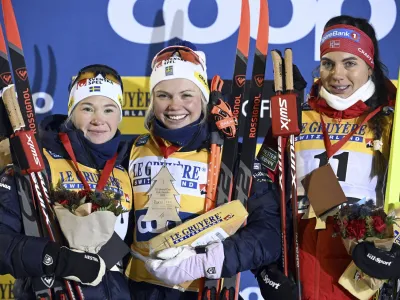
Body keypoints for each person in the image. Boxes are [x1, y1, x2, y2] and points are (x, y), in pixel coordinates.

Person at [123, 41, 282, 299]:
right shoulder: (132, 150)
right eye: (163, 95)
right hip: (139, 291)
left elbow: (270, 234)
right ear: (152, 100)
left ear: (203, 97)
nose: (175, 105)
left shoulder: (233, 157)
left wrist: (207, 260)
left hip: (204, 290)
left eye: (187, 94)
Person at [255, 15, 397, 300]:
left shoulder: (388, 122)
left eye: (350, 63)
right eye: (328, 63)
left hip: (360, 275)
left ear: (369, 67)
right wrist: (265, 263)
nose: (337, 74)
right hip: (301, 270)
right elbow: (262, 185)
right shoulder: (296, 115)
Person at [0, 64, 133, 299]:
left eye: (109, 109)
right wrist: (56, 259)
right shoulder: (38, 160)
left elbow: (128, 248)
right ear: (72, 110)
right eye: (88, 108)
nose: (98, 119)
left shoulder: (125, 169)